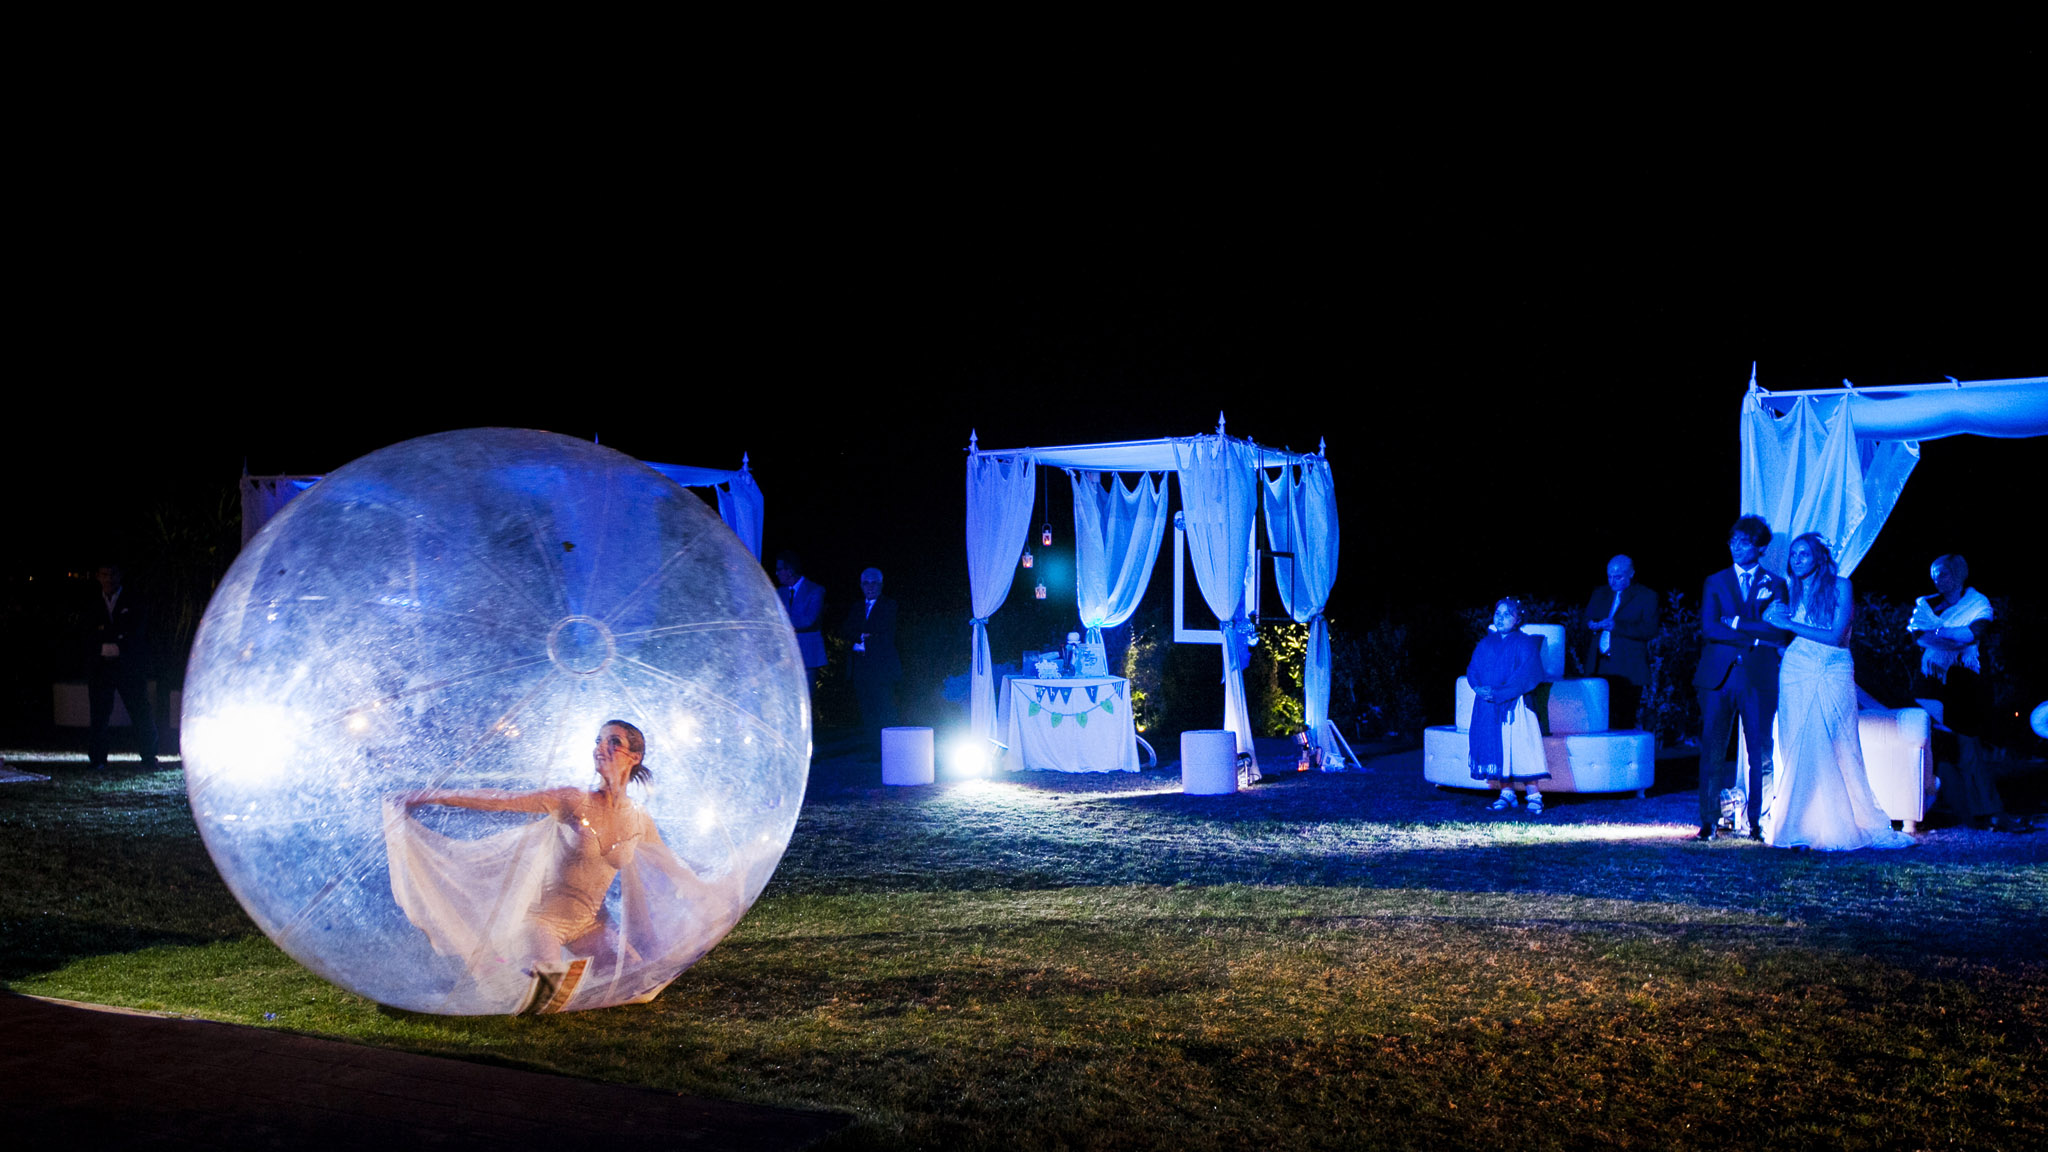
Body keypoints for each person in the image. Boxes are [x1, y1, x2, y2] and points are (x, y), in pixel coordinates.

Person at [386, 720, 733, 1014]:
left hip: (592, 926)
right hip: (543, 923)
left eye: (614, 742)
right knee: (548, 999)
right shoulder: (573, 800)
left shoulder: (639, 820)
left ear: (635, 757)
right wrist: (428, 795)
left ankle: (530, 972)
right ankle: (517, 971)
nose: (602, 747)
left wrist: (714, 891)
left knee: (638, 980)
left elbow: (669, 865)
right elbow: (501, 801)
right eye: (598, 741)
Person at [1758, 535, 1913, 851]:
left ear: (1818, 556)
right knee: (1797, 742)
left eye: (1804, 553)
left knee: (1835, 740)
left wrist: (1787, 622)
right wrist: (1771, 620)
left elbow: (1835, 635)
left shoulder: (1841, 586)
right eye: (1794, 554)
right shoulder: (1792, 589)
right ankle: (1799, 824)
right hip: (1796, 670)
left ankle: (1838, 823)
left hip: (1832, 668)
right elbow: (1786, 633)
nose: (1798, 559)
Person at [1910, 555, 2030, 832]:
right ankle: (1967, 811)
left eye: (1943, 574)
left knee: (1967, 747)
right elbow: (1919, 636)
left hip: (1963, 686)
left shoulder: (1978, 604)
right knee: (1936, 748)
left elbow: (1971, 635)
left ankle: (1986, 812)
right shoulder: (1926, 604)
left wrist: (1939, 633)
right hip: (1930, 684)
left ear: (1959, 574)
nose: (1937, 580)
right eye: (1934, 575)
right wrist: (1949, 635)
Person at [1693, 516, 1790, 841]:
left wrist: (1735, 623)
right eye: (1733, 541)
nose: (1736, 547)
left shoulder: (1775, 584)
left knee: (1760, 753)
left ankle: (1756, 823)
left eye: (1744, 542)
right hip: (1718, 677)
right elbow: (1709, 627)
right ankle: (1708, 822)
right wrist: (1755, 636)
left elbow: (1778, 629)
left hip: (1759, 677)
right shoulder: (1715, 581)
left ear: (1761, 547)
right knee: (1712, 750)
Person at [1467, 598, 1550, 814]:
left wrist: (1499, 693)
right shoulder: (1486, 643)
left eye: (1507, 613)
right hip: (1490, 706)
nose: (1501, 617)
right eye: (1497, 613)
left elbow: (1527, 674)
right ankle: (1507, 793)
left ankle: (1534, 796)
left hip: (1516, 705)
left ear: (1518, 618)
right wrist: (1478, 688)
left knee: (1522, 747)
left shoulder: (1525, 642)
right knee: (1499, 747)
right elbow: (1473, 669)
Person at [87, 564, 158, 770]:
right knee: (99, 713)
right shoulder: (93, 603)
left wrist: (119, 646)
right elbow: (87, 633)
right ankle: (98, 759)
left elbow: (138, 631)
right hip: (101, 667)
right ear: (98, 576)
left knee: (139, 709)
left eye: (112, 574)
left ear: (120, 576)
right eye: (104, 574)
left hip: (129, 667)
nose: (108, 579)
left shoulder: (133, 600)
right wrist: (103, 647)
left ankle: (149, 756)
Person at [1584, 555, 1659, 730]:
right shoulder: (1600, 593)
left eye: (1618, 577)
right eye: (1609, 576)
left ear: (1631, 573)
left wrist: (1617, 627)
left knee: (1623, 720)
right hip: (1599, 665)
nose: (1612, 581)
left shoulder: (1646, 596)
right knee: (1599, 719)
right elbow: (1586, 618)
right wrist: (1592, 625)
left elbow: (1650, 630)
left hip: (1627, 668)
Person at [840, 567, 901, 740]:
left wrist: (862, 633)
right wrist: (861, 635)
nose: (870, 587)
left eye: (874, 583)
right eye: (866, 583)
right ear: (861, 585)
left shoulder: (889, 605)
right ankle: (874, 748)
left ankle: (890, 748)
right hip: (860, 664)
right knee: (867, 708)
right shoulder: (857, 607)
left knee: (884, 707)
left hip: (880, 665)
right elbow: (846, 629)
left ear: (881, 585)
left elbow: (884, 631)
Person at [774, 551, 827, 693]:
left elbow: (809, 619)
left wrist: (780, 622)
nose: (776, 573)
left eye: (779, 569)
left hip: (807, 653)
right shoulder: (780, 592)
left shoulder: (815, 590)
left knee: (806, 696)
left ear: (790, 570)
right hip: (785, 656)